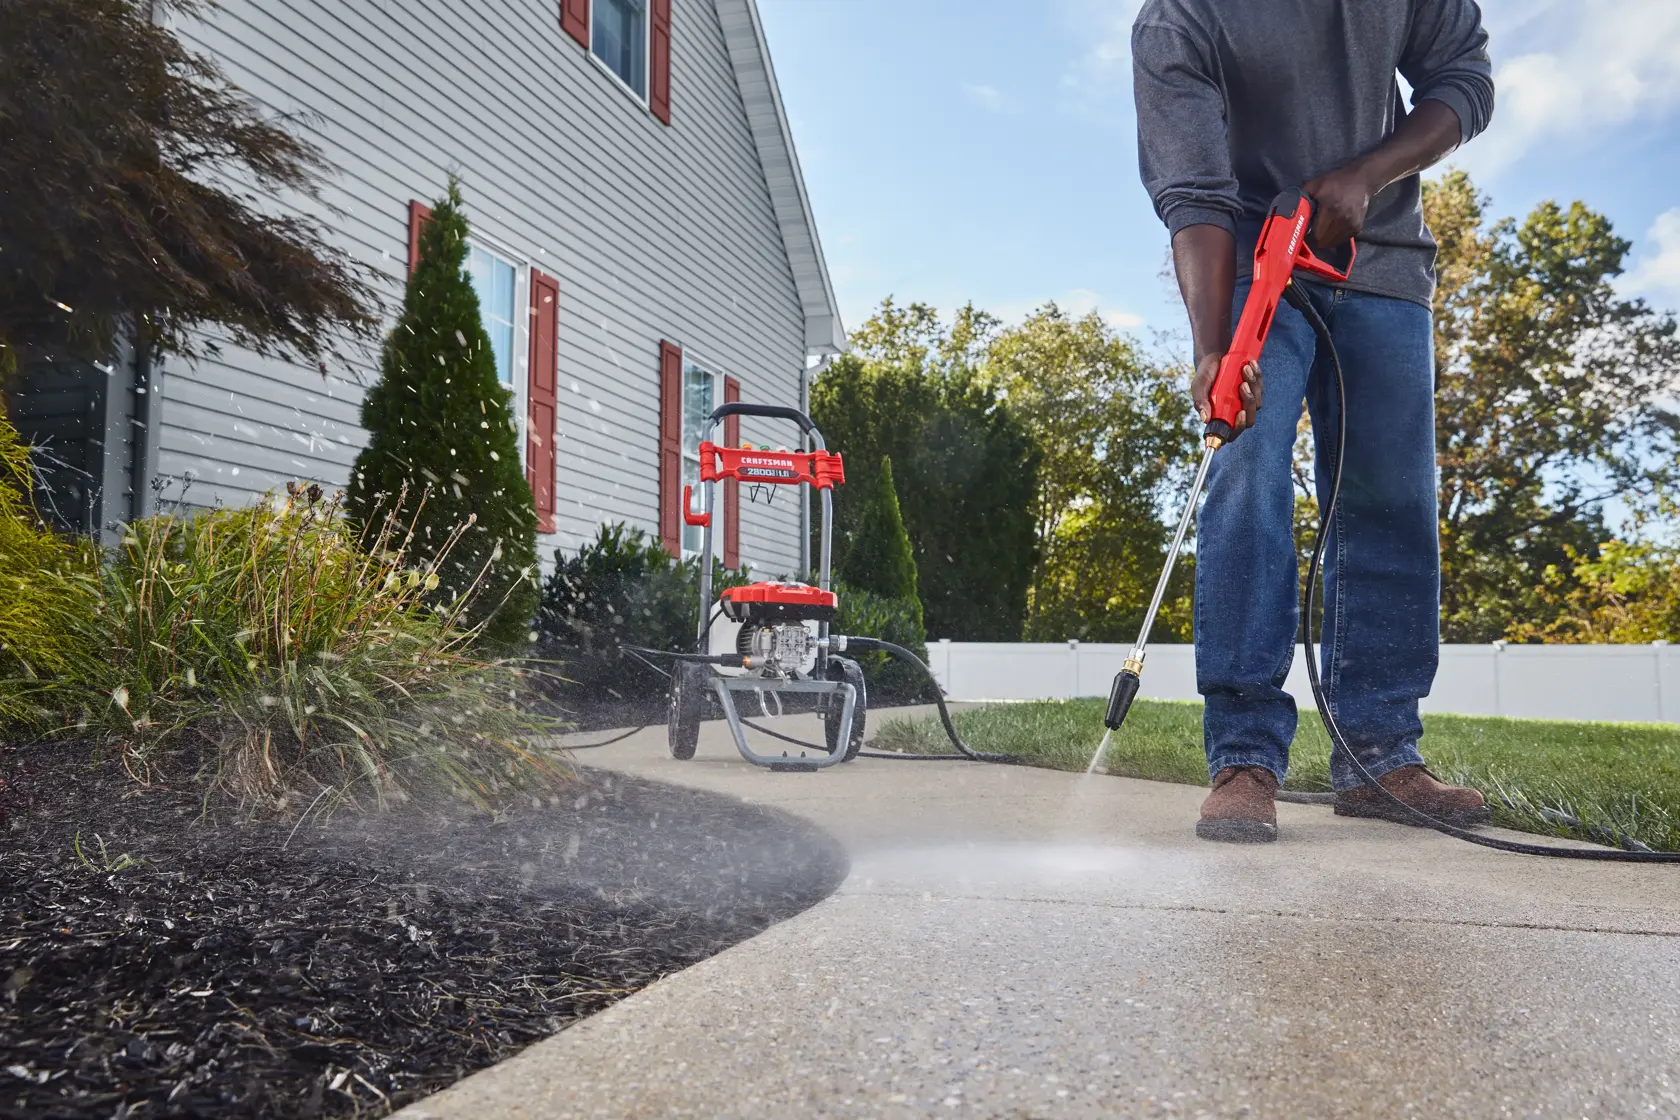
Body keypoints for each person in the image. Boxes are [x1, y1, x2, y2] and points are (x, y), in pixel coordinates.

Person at [1132, 0, 1497, 842]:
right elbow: (1194, 194)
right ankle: (1244, 755)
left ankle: (1379, 755)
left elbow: (1463, 81)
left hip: (1385, 263)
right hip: (1254, 260)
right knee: (1247, 475)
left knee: (1391, 502)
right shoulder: (1178, 21)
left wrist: (1367, 174)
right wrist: (1215, 350)